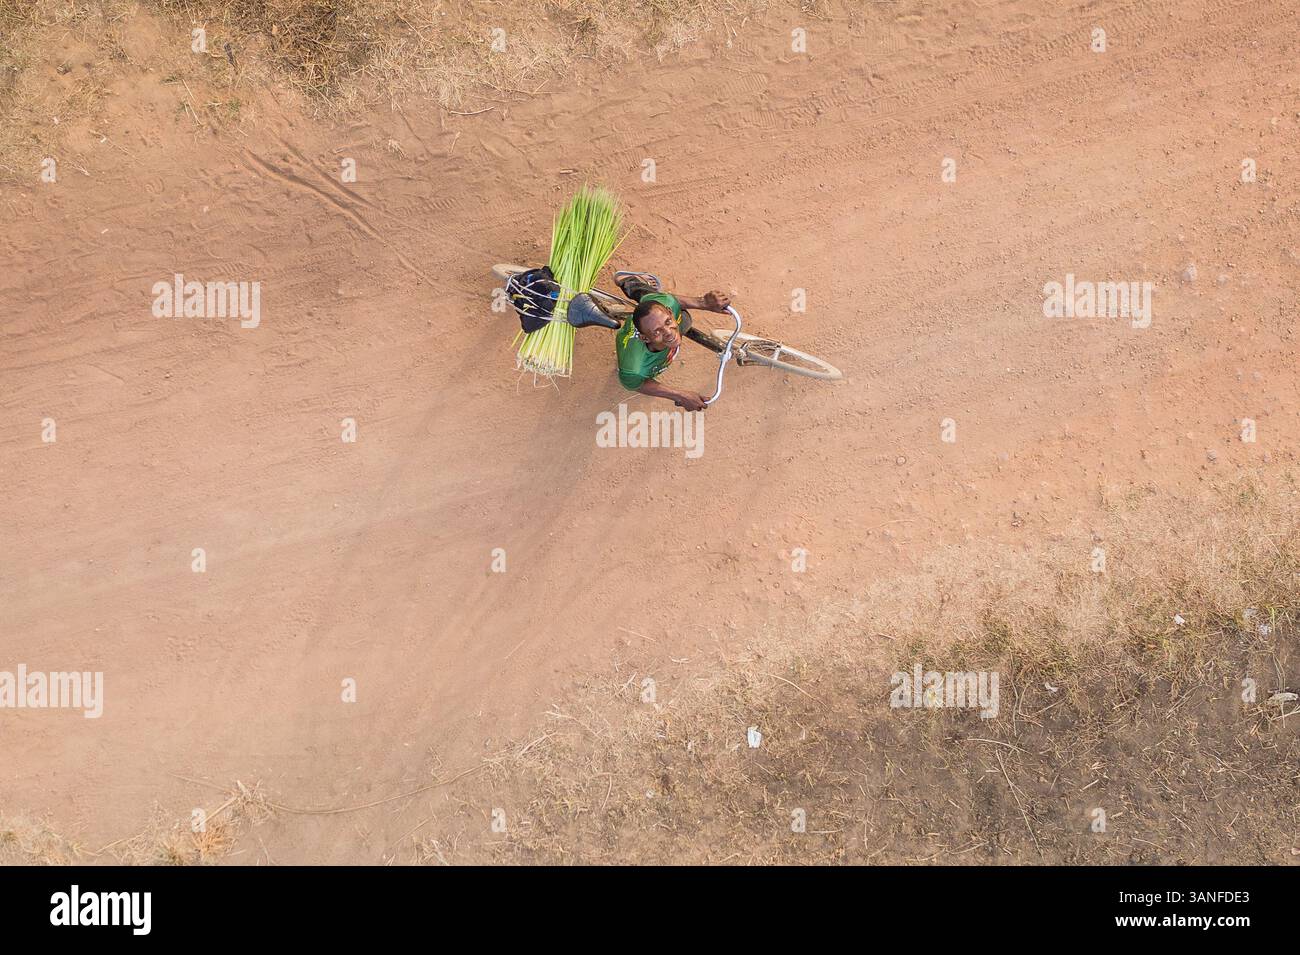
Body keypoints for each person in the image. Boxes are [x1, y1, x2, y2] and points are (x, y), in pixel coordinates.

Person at [612, 272, 731, 411]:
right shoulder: (633, 369)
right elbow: (638, 384)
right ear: (644, 338)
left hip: (657, 306)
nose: (669, 332)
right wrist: (679, 395)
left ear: (669, 312)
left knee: (679, 316)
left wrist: (704, 303)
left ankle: (628, 281)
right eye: (657, 331)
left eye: (668, 321)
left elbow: (672, 301)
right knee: (665, 314)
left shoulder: (669, 304)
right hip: (634, 348)